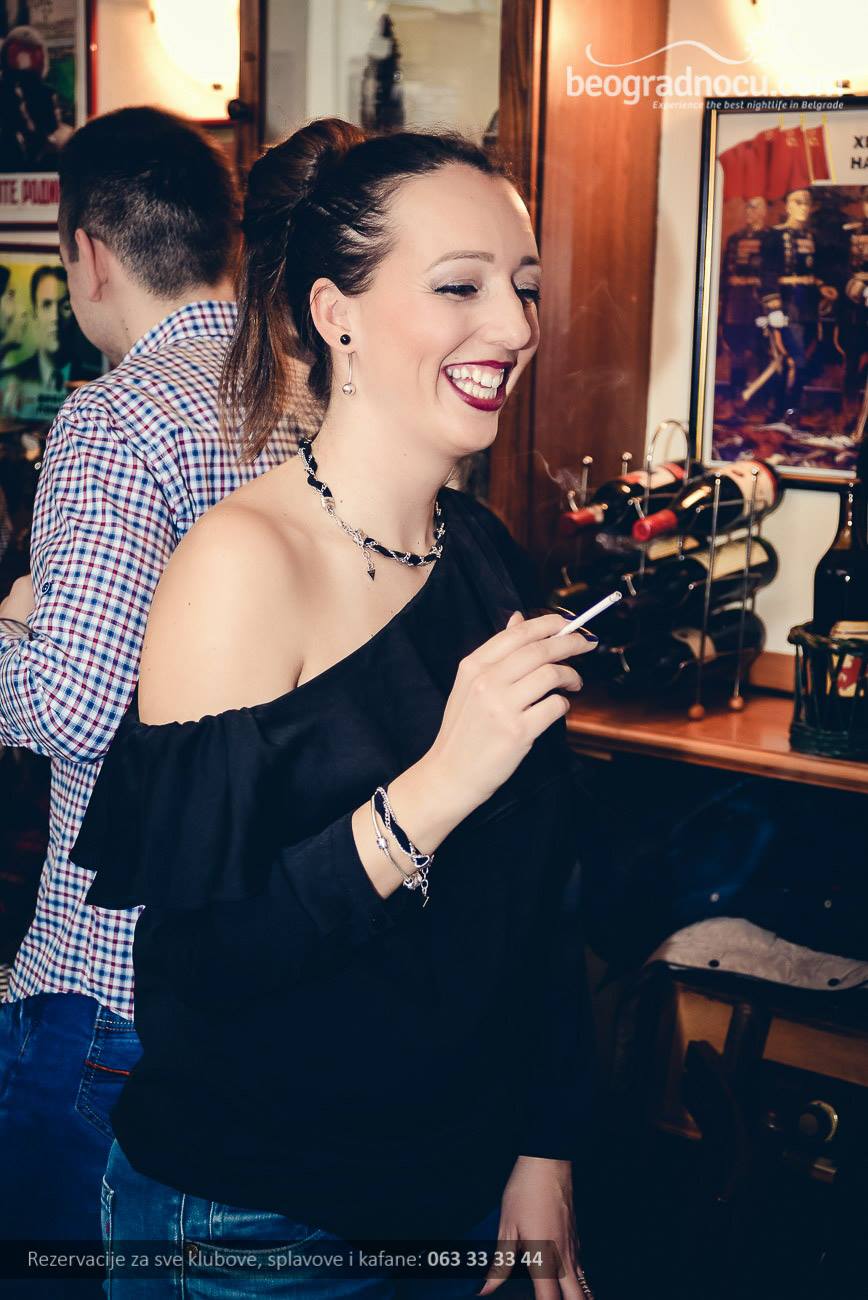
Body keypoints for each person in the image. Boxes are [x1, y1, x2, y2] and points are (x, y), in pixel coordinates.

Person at [73, 117, 600, 1300]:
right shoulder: (240, 563)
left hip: (459, 1189)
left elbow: (541, 896)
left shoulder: (487, 557)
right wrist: (435, 789)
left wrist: (543, 1143)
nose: (515, 326)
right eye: (460, 285)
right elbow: (201, 970)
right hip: (259, 1223)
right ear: (335, 313)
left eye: (523, 286)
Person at [0, 105, 321, 1268]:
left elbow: (70, 705)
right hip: (267, 961)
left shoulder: (114, 416)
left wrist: (10, 628)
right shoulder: (312, 396)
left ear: (86, 254)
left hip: (111, 975)